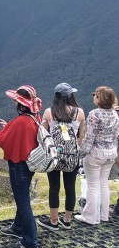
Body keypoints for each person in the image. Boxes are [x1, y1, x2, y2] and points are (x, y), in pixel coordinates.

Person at [0, 85, 41, 248]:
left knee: (23, 202)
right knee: (23, 197)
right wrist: (7, 127)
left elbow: (3, 141)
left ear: (21, 104)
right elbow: (20, 137)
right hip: (29, 165)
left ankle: (30, 241)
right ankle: (18, 227)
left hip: (18, 166)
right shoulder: (34, 118)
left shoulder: (20, 122)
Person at [37, 83, 85, 231]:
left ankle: (53, 221)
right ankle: (67, 221)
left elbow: (43, 136)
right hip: (72, 156)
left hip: (54, 156)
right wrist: (71, 148)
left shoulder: (48, 112)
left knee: (54, 188)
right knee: (70, 188)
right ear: (71, 95)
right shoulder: (80, 112)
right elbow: (81, 136)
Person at [74, 86, 119, 225]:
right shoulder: (115, 114)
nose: (93, 96)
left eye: (95, 94)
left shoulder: (94, 114)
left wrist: (81, 154)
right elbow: (116, 135)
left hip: (95, 154)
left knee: (92, 185)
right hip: (110, 154)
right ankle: (104, 215)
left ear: (100, 98)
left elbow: (89, 137)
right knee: (103, 184)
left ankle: (90, 217)